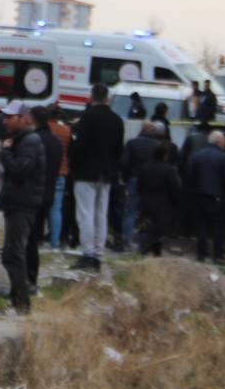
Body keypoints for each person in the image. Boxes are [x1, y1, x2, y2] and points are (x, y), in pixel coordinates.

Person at [0, 101, 45, 315]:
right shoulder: (21, 140)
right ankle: (17, 301)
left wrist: (5, 153)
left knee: (13, 254)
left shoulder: (29, 141)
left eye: (10, 117)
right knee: (11, 254)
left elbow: (20, 170)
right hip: (17, 202)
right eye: (5, 117)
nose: (5, 121)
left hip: (22, 204)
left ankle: (21, 305)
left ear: (24, 118)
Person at [68, 84, 124, 270]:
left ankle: (88, 254)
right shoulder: (117, 120)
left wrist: (73, 164)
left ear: (91, 97)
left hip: (86, 172)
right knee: (101, 213)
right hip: (106, 173)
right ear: (107, 98)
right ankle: (99, 254)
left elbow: (79, 146)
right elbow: (118, 150)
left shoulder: (87, 117)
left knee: (85, 213)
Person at [26, 106, 62, 292]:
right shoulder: (56, 141)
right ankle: (32, 277)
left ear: (33, 118)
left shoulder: (34, 140)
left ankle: (28, 278)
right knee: (35, 238)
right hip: (48, 194)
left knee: (27, 239)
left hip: (31, 194)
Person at [188, 130, 225, 262]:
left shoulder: (197, 156)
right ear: (219, 141)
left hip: (199, 195)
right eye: (224, 141)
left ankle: (201, 254)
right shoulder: (223, 157)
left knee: (202, 226)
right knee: (218, 227)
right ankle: (217, 255)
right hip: (217, 197)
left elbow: (191, 176)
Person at [119, 121, 159, 252]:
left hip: (134, 179)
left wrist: (125, 177)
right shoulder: (157, 146)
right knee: (146, 212)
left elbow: (124, 162)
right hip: (151, 181)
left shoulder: (132, 143)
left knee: (130, 210)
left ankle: (127, 241)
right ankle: (143, 243)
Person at [137, 143, 181, 256]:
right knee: (157, 230)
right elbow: (174, 188)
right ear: (165, 155)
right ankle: (145, 250)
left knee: (146, 226)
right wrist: (176, 203)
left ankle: (154, 252)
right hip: (163, 204)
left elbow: (139, 185)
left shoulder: (144, 167)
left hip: (146, 202)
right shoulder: (169, 170)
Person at [47, 107, 71, 250]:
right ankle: (55, 242)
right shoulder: (66, 131)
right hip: (61, 171)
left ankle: (36, 237)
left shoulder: (45, 129)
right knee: (56, 208)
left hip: (45, 171)